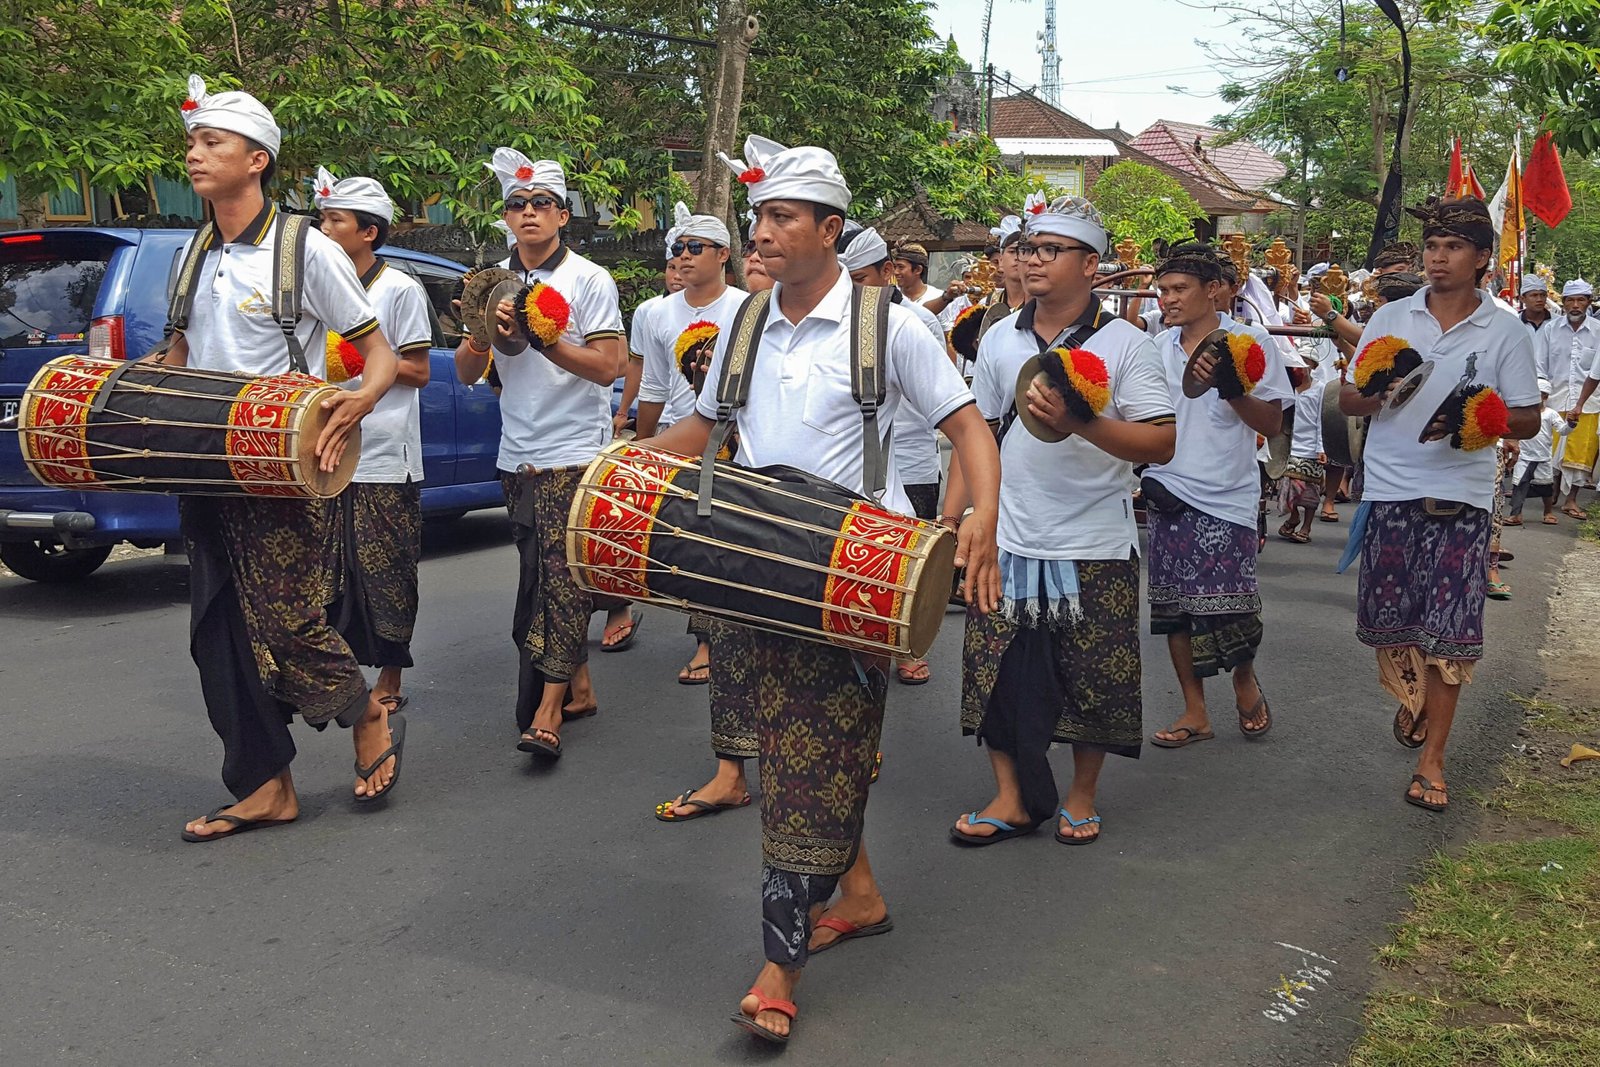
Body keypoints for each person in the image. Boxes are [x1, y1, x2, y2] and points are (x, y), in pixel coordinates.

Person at [644, 134, 1001, 1044]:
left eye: (780, 217)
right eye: (757, 217)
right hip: (751, 566)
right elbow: (701, 432)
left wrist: (980, 519)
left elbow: (969, 429)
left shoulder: (891, 326)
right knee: (801, 753)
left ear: (830, 229)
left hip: (856, 575)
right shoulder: (742, 323)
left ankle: (780, 965)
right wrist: (620, 465)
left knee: (811, 751)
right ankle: (861, 893)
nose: (760, 233)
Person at [164, 77, 405, 841]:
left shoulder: (306, 248)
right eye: (193, 142)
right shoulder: (193, 250)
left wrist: (357, 402)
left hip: (280, 461)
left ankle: (365, 709)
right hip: (205, 460)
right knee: (218, 631)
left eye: (213, 142)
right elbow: (181, 353)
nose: (195, 154)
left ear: (257, 159)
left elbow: (379, 355)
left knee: (287, 620)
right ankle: (266, 785)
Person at [945, 196, 1175, 847]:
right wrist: (957, 516)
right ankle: (1012, 796)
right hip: (1008, 533)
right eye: (1028, 248)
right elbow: (976, 434)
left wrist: (1081, 424)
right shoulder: (998, 338)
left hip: (1093, 539)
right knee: (992, 669)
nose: (1033, 260)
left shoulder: (1126, 344)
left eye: (1052, 249)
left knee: (1093, 675)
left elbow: (1161, 441)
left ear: (1090, 264)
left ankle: (1080, 795)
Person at [1338, 197, 1539, 810]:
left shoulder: (1506, 329)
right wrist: (1376, 388)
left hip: (1462, 499)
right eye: (1432, 246)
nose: (1438, 257)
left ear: (1481, 258)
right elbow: (1347, 401)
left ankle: (1433, 762)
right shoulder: (1390, 316)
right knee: (1389, 621)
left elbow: (1528, 419)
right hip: (1390, 491)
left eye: (1453, 247)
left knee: (1451, 631)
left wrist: (1480, 417)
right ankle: (1416, 697)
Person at [453, 148, 626, 760]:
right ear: (506, 217)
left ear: (562, 215)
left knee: (560, 580)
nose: (529, 212)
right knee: (540, 574)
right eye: (517, 204)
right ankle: (579, 687)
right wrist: (482, 331)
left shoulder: (588, 279)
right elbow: (467, 371)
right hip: (516, 453)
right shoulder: (490, 281)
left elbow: (609, 367)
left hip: (574, 452)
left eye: (542, 203)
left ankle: (548, 708)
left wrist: (539, 337)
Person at [1143, 242, 1292, 749]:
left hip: (1226, 496)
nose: (1168, 299)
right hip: (1168, 491)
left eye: (1179, 289)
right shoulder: (1155, 349)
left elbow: (1270, 423)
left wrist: (1232, 387)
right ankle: (1195, 710)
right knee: (1174, 610)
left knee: (1232, 608)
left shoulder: (1251, 342)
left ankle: (1244, 680)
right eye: (1163, 290)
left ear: (1213, 290)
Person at [314, 168, 433, 715]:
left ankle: (390, 674)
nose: (323, 228)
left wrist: (362, 360)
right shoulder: (315, 283)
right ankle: (333, 676)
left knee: (387, 569)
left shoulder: (399, 289)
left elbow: (419, 370)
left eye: (335, 220)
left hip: (383, 450)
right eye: (322, 218)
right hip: (321, 446)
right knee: (323, 569)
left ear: (369, 232)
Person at [636, 202, 748, 687]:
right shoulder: (655, 312)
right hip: (680, 439)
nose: (682, 256)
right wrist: (642, 446)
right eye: (678, 247)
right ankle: (707, 632)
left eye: (695, 247)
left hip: (735, 441)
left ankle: (710, 641)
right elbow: (653, 386)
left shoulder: (747, 308)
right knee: (693, 541)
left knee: (725, 539)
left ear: (722, 254)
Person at [837, 221, 947, 686]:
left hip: (913, 454)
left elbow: (942, 399)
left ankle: (909, 647)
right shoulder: (842, 320)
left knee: (910, 566)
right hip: (860, 464)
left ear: (887, 273)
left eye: (860, 279)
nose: (851, 289)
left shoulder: (917, 321)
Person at [1542, 279, 1600, 517]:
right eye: (1571, 300)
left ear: (1588, 302)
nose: (1575, 305)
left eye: (1581, 300)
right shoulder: (1550, 329)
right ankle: (1552, 492)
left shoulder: (1598, 331)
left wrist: (1580, 403)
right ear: (1563, 303)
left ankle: (1571, 499)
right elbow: (1540, 365)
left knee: (1580, 453)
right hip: (1555, 399)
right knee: (1552, 451)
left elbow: (1596, 371)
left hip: (1589, 404)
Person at [617, 246, 685, 437]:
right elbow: (637, 363)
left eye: (683, 270)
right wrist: (623, 412)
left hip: (696, 417)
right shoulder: (648, 310)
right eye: (671, 268)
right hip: (658, 414)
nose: (677, 277)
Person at [1505, 377, 1568, 526]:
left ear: (1545, 397)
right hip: (1524, 456)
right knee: (1519, 485)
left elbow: (1563, 430)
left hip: (1543, 456)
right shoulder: (1523, 414)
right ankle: (1516, 514)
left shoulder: (1550, 414)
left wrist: (1571, 424)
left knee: (1546, 487)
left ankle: (1548, 512)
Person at [1277, 358, 1324, 544]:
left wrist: (1321, 447)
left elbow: (1321, 420)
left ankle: (1306, 527)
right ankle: (1294, 516)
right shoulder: (1288, 387)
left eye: (1305, 363)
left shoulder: (1320, 389)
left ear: (1312, 367)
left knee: (1310, 490)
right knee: (1287, 485)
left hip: (1311, 447)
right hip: (1290, 445)